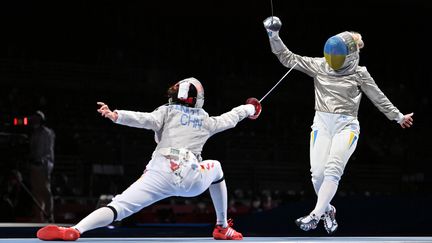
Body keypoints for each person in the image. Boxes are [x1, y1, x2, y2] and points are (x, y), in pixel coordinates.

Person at [37, 77, 262, 241]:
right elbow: (230, 118)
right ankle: (222, 227)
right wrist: (249, 107)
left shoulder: (167, 111)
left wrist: (116, 115)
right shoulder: (205, 120)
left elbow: (145, 119)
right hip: (192, 176)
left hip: (160, 171)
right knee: (217, 168)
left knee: (119, 206)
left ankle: (76, 229)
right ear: (197, 99)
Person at [262, 17, 414, 234]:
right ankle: (328, 210)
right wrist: (273, 35)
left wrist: (398, 116)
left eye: (338, 55)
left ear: (350, 55)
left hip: (346, 126)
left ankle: (314, 215)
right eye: (331, 55)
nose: (332, 59)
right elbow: (287, 58)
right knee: (317, 175)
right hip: (321, 124)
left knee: (333, 169)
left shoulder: (360, 73)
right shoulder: (319, 65)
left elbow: (378, 97)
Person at [29, 110, 56, 223]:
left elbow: (49, 151)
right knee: (36, 192)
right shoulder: (34, 133)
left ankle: (49, 216)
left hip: (43, 166)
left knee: (46, 191)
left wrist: (47, 166)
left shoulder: (47, 133)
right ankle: (38, 217)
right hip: (34, 166)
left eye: (37, 119)